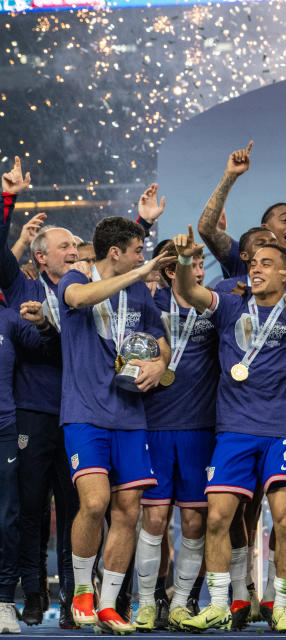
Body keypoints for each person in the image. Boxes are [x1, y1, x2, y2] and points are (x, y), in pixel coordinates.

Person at [171, 227, 286, 633]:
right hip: (234, 431)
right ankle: (218, 603)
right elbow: (191, 295)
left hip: (281, 431)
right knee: (217, 519)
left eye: (267, 264)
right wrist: (181, 262)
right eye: (253, 263)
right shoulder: (231, 305)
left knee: (285, 522)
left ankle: (281, 605)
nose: (256, 269)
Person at [58, 216, 175, 634]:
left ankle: (108, 605)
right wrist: (140, 274)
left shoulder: (140, 294)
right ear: (116, 253)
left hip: (130, 416)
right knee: (94, 503)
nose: (143, 258)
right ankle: (82, 593)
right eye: (138, 251)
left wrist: (159, 362)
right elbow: (80, 298)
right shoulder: (76, 276)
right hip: (85, 414)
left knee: (128, 511)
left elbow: (161, 341)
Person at [0, 157, 80, 629]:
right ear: (41, 256)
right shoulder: (21, 287)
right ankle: (32, 595)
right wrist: (6, 199)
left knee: (75, 511)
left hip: (76, 413)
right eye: (64, 245)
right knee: (30, 509)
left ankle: (72, 597)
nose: (73, 251)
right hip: (30, 413)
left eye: (76, 245)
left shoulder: (87, 291)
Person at [134, 237, 218, 632]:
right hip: (154, 424)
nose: (200, 272)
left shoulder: (216, 306)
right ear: (173, 271)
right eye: (194, 265)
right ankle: (147, 602)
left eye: (201, 264)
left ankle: (182, 602)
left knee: (195, 523)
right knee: (153, 518)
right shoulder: (150, 306)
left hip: (199, 429)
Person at [0, 292, 61, 635]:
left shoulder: (8, 318)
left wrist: (43, 324)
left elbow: (52, 350)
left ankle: (4, 601)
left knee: (7, 518)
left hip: (4, 429)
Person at [196, 142, 286, 280]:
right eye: (285, 220)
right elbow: (206, 228)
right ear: (265, 227)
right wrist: (230, 175)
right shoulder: (244, 255)